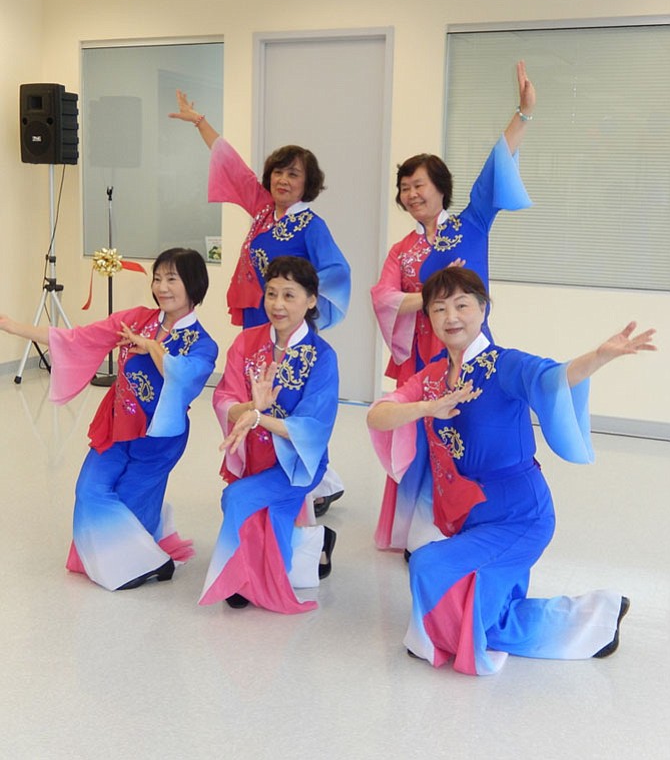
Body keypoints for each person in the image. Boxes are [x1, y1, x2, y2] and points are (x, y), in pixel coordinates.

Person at [367, 266, 656, 676]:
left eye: (462, 305)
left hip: (521, 514)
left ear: (483, 310)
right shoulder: (432, 376)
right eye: (439, 308)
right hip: (472, 516)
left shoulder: (505, 364)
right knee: (476, 600)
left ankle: (588, 623)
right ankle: (598, 614)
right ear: (428, 318)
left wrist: (597, 358)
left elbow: (554, 377)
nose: (451, 317)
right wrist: (425, 408)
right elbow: (378, 417)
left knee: (431, 567)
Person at [371, 60, 535, 551]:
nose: (412, 193)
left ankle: (471, 519)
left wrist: (522, 115)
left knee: (468, 431)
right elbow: (381, 297)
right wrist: (425, 300)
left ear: (441, 186)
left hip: (466, 349)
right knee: (419, 436)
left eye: (419, 184)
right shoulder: (401, 250)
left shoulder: (471, 224)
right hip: (422, 357)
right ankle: (417, 531)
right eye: (404, 188)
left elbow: (493, 168)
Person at [170, 91, 349, 516]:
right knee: (257, 397)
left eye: (294, 175)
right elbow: (234, 168)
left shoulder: (311, 224)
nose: (284, 181)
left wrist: (300, 304)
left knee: (292, 402)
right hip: (258, 319)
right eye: (279, 173)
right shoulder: (264, 211)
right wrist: (201, 124)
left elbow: (337, 273)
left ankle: (315, 480)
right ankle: (278, 469)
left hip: (289, 325)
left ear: (309, 184)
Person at [0, 248, 218, 591]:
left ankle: (147, 561)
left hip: (158, 441)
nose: (162, 287)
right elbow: (79, 338)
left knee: (131, 507)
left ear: (194, 284)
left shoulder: (204, 345)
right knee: (89, 490)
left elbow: (186, 381)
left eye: (172, 279)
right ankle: (130, 559)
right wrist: (13, 327)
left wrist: (154, 349)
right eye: (158, 278)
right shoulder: (138, 319)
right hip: (117, 426)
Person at [199, 256, 339, 614]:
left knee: (239, 498)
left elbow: (313, 426)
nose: (277, 304)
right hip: (252, 456)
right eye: (271, 293)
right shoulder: (247, 342)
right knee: (269, 515)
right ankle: (312, 545)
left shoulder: (322, 357)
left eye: (289, 295)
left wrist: (259, 418)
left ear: (311, 300)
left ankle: (242, 578)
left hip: (295, 465)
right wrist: (249, 408)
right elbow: (223, 398)